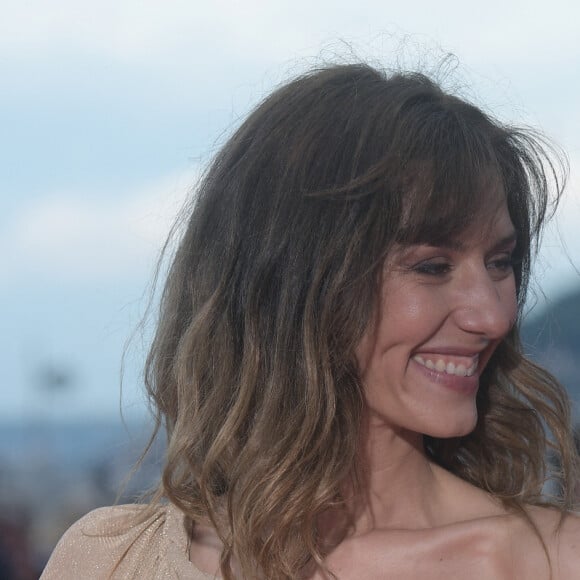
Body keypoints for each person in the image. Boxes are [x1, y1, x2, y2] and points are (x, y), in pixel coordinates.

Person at [41, 62, 580, 579]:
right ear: (296, 284)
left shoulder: (555, 561)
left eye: (500, 263)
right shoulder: (114, 562)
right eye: (432, 266)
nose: (492, 315)